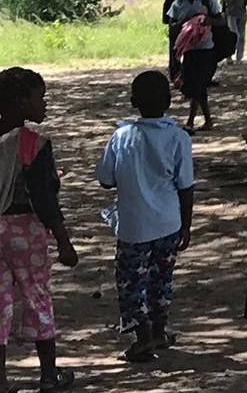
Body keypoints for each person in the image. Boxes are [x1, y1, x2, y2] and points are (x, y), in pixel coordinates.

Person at [94, 71, 194, 363]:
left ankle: (141, 338)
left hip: (134, 226)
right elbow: (186, 186)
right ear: (169, 101)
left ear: (132, 100)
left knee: (130, 283)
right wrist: (186, 225)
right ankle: (159, 330)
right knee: (161, 279)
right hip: (168, 222)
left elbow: (104, 179)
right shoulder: (178, 137)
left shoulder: (122, 136)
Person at [0, 68, 79, 392]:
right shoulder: (34, 144)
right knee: (37, 297)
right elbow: (45, 199)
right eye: (40, 98)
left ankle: (2, 381)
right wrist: (63, 240)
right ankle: (48, 374)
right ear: (22, 103)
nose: (44, 104)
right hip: (26, 232)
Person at [166, 0, 220, 133]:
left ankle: (190, 121)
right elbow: (171, 29)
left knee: (198, 83)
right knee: (196, 85)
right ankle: (208, 120)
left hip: (205, 48)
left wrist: (205, 21)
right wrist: (186, 21)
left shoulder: (206, 1)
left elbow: (221, 21)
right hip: (189, 50)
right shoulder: (177, 5)